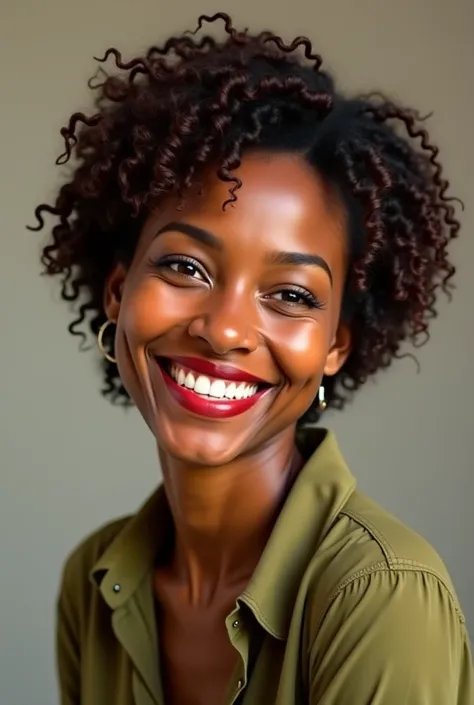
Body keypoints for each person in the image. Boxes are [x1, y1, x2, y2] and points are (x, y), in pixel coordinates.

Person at [30, 12, 473, 705]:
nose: (226, 329)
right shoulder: (94, 583)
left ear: (335, 346)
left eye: (291, 293)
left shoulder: (380, 596)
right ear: (119, 290)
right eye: (185, 266)